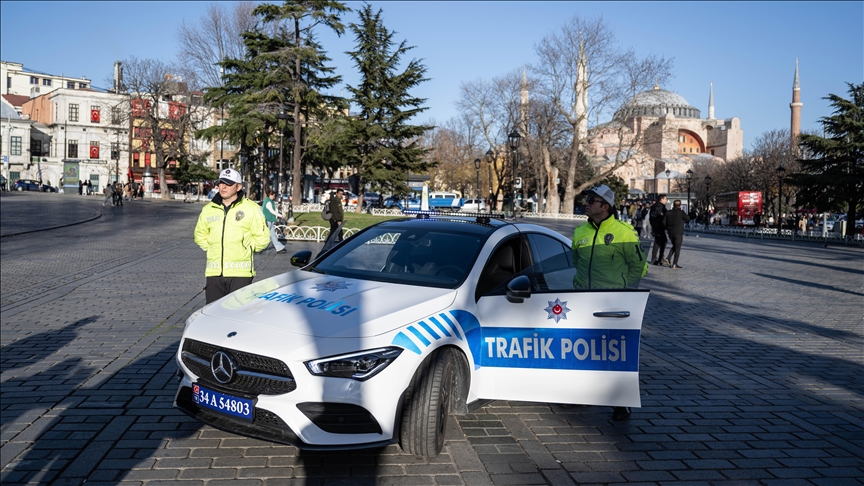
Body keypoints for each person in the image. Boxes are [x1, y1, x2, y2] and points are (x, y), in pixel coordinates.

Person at [571, 184, 648, 421]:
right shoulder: (579, 231)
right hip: (583, 300)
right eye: (587, 199)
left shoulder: (624, 232)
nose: (587, 203)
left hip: (613, 303)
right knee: (582, 350)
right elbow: (575, 260)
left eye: (592, 200)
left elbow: (640, 267)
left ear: (605, 206)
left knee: (615, 354)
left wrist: (621, 289)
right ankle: (583, 395)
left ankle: (621, 402)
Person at [194, 168, 270, 304]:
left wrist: (245, 249)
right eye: (221, 183)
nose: (223, 186)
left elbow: (262, 239)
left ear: (238, 186)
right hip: (214, 274)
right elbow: (200, 234)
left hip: (240, 275)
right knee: (214, 316)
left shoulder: (251, 209)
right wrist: (212, 247)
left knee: (238, 317)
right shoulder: (208, 209)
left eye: (228, 183)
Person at [664, 199, 690, 269]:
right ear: (680, 206)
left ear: (673, 205)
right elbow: (688, 218)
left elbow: (664, 222)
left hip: (670, 233)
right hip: (678, 232)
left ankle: (668, 258)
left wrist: (668, 228)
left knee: (675, 246)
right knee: (677, 248)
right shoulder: (681, 212)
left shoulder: (668, 212)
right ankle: (675, 264)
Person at [261, 189, 286, 254]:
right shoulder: (268, 202)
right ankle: (258, 247)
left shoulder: (269, 201)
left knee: (273, 235)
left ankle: (279, 248)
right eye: (273, 196)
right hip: (267, 220)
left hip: (269, 220)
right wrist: (280, 215)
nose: (274, 197)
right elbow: (272, 211)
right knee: (265, 235)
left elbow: (274, 210)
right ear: (270, 195)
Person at [649, 195, 668, 266]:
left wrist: (653, 226)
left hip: (656, 227)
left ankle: (657, 258)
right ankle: (657, 258)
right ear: (661, 199)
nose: (666, 200)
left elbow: (651, 218)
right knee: (662, 242)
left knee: (659, 242)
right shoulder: (660, 207)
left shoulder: (654, 206)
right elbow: (661, 217)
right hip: (659, 227)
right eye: (665, 199)